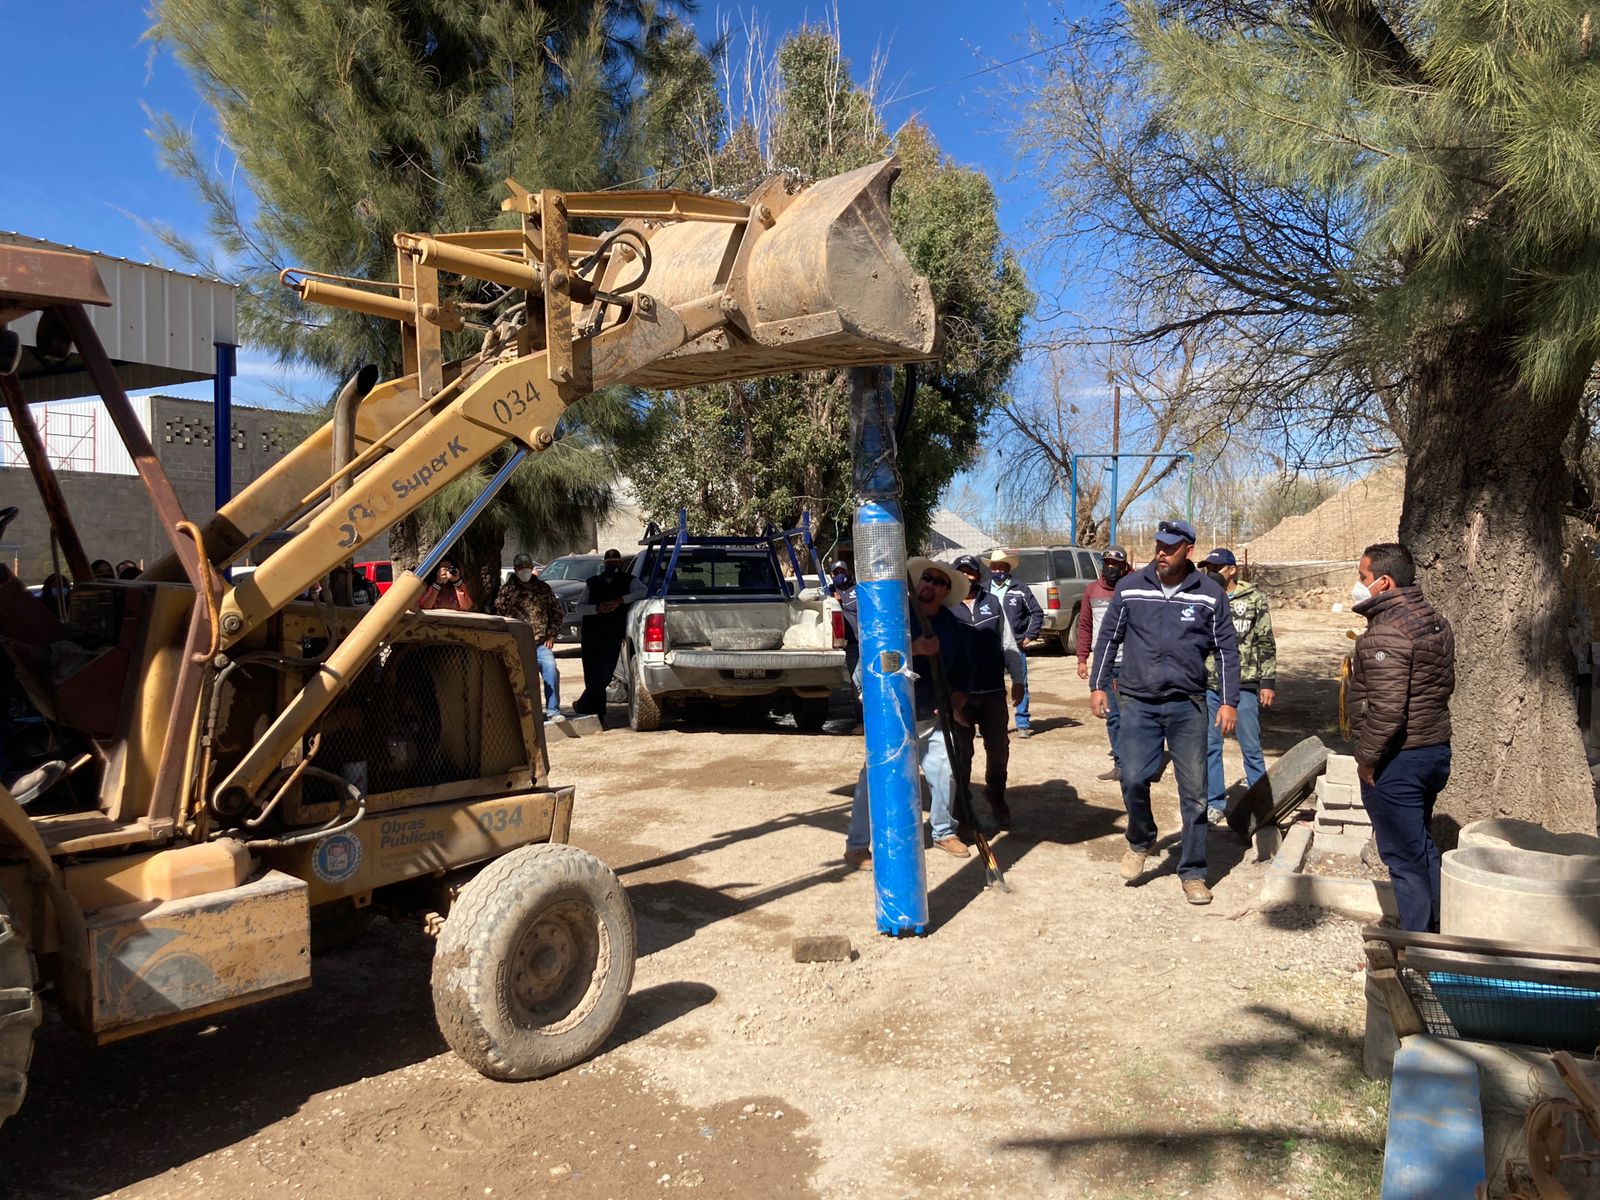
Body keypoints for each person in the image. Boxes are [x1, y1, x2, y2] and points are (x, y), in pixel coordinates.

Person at [1089, 518, 1239, 906]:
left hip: (1188, 707)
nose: (1161, 552)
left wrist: (1228, 700)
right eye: (1159, 544)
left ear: (1188, 549)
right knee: (1134, 777)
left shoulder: (1209, 594)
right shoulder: (1131, 587)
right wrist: (1097, 686)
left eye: (1170, 547)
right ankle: (1140, 840)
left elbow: (1226, 650)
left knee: (1195, 795)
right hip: (1138, 703)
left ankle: (1192, 871)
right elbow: (1109, 637)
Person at [1347, 542, 1455, 933]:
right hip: (1433, 752)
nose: (1358, 586)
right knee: (1422, 848)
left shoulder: (1387, 632)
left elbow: (1388, 710)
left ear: (1385, 582)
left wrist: (1367, 759)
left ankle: (1417, 956)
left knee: (1404, 862)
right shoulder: (1435, 620)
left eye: (1362, 578)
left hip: (1398, 761)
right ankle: (1441, 931)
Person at [844, 557, 972, 867]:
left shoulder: (952, 625)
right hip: (894, 713)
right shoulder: (896, 617)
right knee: (874, 779)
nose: (931, 584)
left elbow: (965, 668)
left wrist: (957, 699)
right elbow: (881, 658)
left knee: (946, 774)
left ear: (946, 592)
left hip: (932, 713)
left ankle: (943, 831)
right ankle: (857, 845)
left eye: (940, 582)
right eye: (927, 578)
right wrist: (913, 649)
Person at [1198, 548, 1276, 824]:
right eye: (1207, 568)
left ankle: (1261, 806)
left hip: (1244, 683)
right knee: (1210, 746)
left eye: (1216, 568)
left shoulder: (1254, 599)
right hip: (1209, 684)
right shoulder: (1203, 597)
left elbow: (1265, 640)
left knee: (1251, 747)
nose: (1211, 573)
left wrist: (1267, 681)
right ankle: (1215, 803)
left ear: (1232, 570)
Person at [951, 554, 1024, 830]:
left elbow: (1008, 643)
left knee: (998, 749)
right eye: (961, 573)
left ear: (978, 576)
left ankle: (995, 793)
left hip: (993, 691)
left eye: (971, 572)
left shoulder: (993, 603)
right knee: (961, 753)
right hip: (961, 695)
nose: (966, 577)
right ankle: (963, 808)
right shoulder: (947, 607)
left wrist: (1018, 679)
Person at [1077, 545, 1131, 782]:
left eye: (1115, 565)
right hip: (1105, 664)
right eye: (1107, 563)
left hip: (1131, 664)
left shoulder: (1131, 589)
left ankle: (1141, 765)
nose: (1110, 568)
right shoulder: (1091, 591)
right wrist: (1082, 658)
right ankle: (1121, 764)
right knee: (1113, 716)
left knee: (1135, 715)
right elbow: (1085, 625)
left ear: (1124, 567)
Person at [572, 549, 645, 721]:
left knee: (605, 674)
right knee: (591, 674)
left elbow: (643, 592)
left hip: (612, 635)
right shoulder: (593, 583)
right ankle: (596, 712)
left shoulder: (629, 581)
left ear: (620, 563)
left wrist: (620, 601)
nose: (612, 565)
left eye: (615, 562)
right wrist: (597, 609)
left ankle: (582, 703)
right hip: (591, 634)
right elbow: (580, 607)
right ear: (604, 564)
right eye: (609, 562)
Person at [495, 552, 565, 721]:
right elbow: (499, 614)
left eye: (528, 568)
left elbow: (556, 613)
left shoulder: (543, 589)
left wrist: (551, 635)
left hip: (541, 644)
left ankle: (553, 710)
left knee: (551, 670)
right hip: (517, 644)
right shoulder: (507, 591)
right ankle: (524, 713)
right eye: (522, 568)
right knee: (520, 678)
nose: (525, 571)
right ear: (515, 569)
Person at [987, 549, 1044, 738]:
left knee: (1020, 683)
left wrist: (1029, 636)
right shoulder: (984, 589)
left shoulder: (1020, 588)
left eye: (1000, 567)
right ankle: (992, 722)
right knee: (992, 684)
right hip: (992, 645)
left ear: (1007, 567)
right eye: (994, 567)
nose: (997, 571)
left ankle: (1022, 723)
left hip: (1016, 644)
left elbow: (1036, 613)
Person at [825, 559, 861, 699]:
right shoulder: (829, 591)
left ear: (848, 572)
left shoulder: (858, 588)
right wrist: (835, 601)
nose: (840, 574)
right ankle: (860, 718)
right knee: (857, 681)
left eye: (842, 571)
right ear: (831, 575)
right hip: (851, 644)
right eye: (836, 572)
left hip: (866, 640)